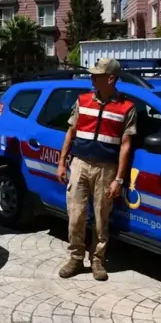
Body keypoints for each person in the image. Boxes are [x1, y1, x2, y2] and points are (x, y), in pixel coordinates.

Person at [56, 58, 137, 281]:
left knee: (101, 219)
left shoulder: (127, 107)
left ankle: (98, 260)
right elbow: (70, 133)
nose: (92, 78)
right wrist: (62, 162)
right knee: (75, 215)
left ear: (110, 79)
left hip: (106, 169)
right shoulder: (82, 101)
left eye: (97, 75)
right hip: (80, 164)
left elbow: (126, 145)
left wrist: (119, 179)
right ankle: (75, 258)